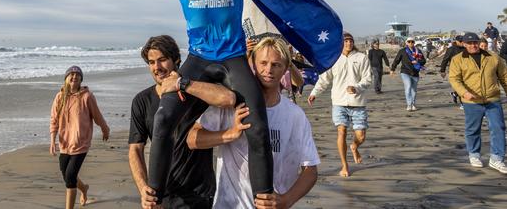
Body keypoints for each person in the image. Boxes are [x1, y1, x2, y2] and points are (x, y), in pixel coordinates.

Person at [135, 0, 273, 202]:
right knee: (163, 119)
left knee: (258, 124)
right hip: (198, 59)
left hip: (233, 58)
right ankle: (154, 194)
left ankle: (265, 197)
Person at [188, 37, 319, 208]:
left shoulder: (295, 115)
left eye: (276, 64)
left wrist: (286, 200)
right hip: (229, 203)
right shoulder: (231, 106)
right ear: (253, 65)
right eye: (263, 63)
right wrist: (229, 134)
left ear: (286, 68)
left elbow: (310, 170)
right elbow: (191, 139)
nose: (268, 70)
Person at [129, 35, 236, 208]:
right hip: (162, 194)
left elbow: (227, 98)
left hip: (199, 194)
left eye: (162, 60)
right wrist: (143, 188)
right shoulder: (142, 101)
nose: (157, 67)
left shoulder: (195, 92)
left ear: (177, 60)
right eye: (151, 62)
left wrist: (184, 84)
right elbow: (135, 148)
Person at [308, 32, 371, 177]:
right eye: (345, 41)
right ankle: (344, 165)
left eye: (350, 40)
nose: (348, 43)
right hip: (339, 102)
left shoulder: (361, 58)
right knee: (341, 131)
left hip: (358, 102)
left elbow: (367, 79)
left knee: (360, 136)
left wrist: (357, 87)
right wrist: (314, 93)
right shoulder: (333, 59)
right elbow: (324, 79)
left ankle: (354, 146)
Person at [50, 65, 110, 209]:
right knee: (66, 175)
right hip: (65, 143)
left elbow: (97, 115)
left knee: (70, 177)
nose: (74, 77)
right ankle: (84, 189)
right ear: (66, 78)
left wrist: (104, 128)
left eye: (77, 75)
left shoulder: (87, 96)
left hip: (81, 143)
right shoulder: (59, 97)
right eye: (71, 74)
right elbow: (54, 120)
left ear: (81, 79)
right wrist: (52, 140)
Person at [448, 32, 507, 173]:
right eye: (469, 43)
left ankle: (497, 158)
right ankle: (474, 154)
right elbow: (454, 79)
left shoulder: (493, 57)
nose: (473, 45)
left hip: (492, 99)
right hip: (471, 101)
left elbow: (504, 76)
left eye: (475, 42)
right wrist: (464, 93)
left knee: (498, 127)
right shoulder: (458, 59)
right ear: (464, 44)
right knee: (473, 129)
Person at [390, 36, 426, 111]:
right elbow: (396, 60)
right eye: (409, 41)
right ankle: (409, 105)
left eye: (412, 41)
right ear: (406, 43)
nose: (411, 43)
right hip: (405, 71)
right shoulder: (402, 51)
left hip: (415, 72)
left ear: (414, 43)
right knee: (408, 86)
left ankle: (413, 104)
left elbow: (423, 61)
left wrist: (417, 62)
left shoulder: (418, 51)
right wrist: (392, 69)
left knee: (414, 90)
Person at [440, 35, 465, 107]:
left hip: (466, 70)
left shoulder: (466, 48)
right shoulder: (451, 49)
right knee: (460, 86)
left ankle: (455, 94)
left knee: (465, 86)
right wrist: (442, 70)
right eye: (460, 41)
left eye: (463, 41)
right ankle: (462, 104)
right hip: (455, 71)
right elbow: (445, 60)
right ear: (456, 41)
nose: (462, 42)